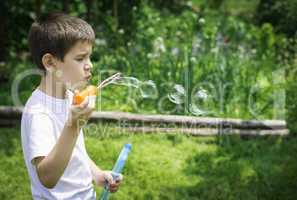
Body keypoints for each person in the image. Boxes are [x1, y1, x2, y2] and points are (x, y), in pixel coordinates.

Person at [21, 12, 122, 199]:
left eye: (89, 57)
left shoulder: (69, 97)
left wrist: (97, 174)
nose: (89, 65)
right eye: (80, 58)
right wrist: (74, 125)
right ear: (50, 63)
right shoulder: (39, 112)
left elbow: (74, 151)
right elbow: (47, 177)